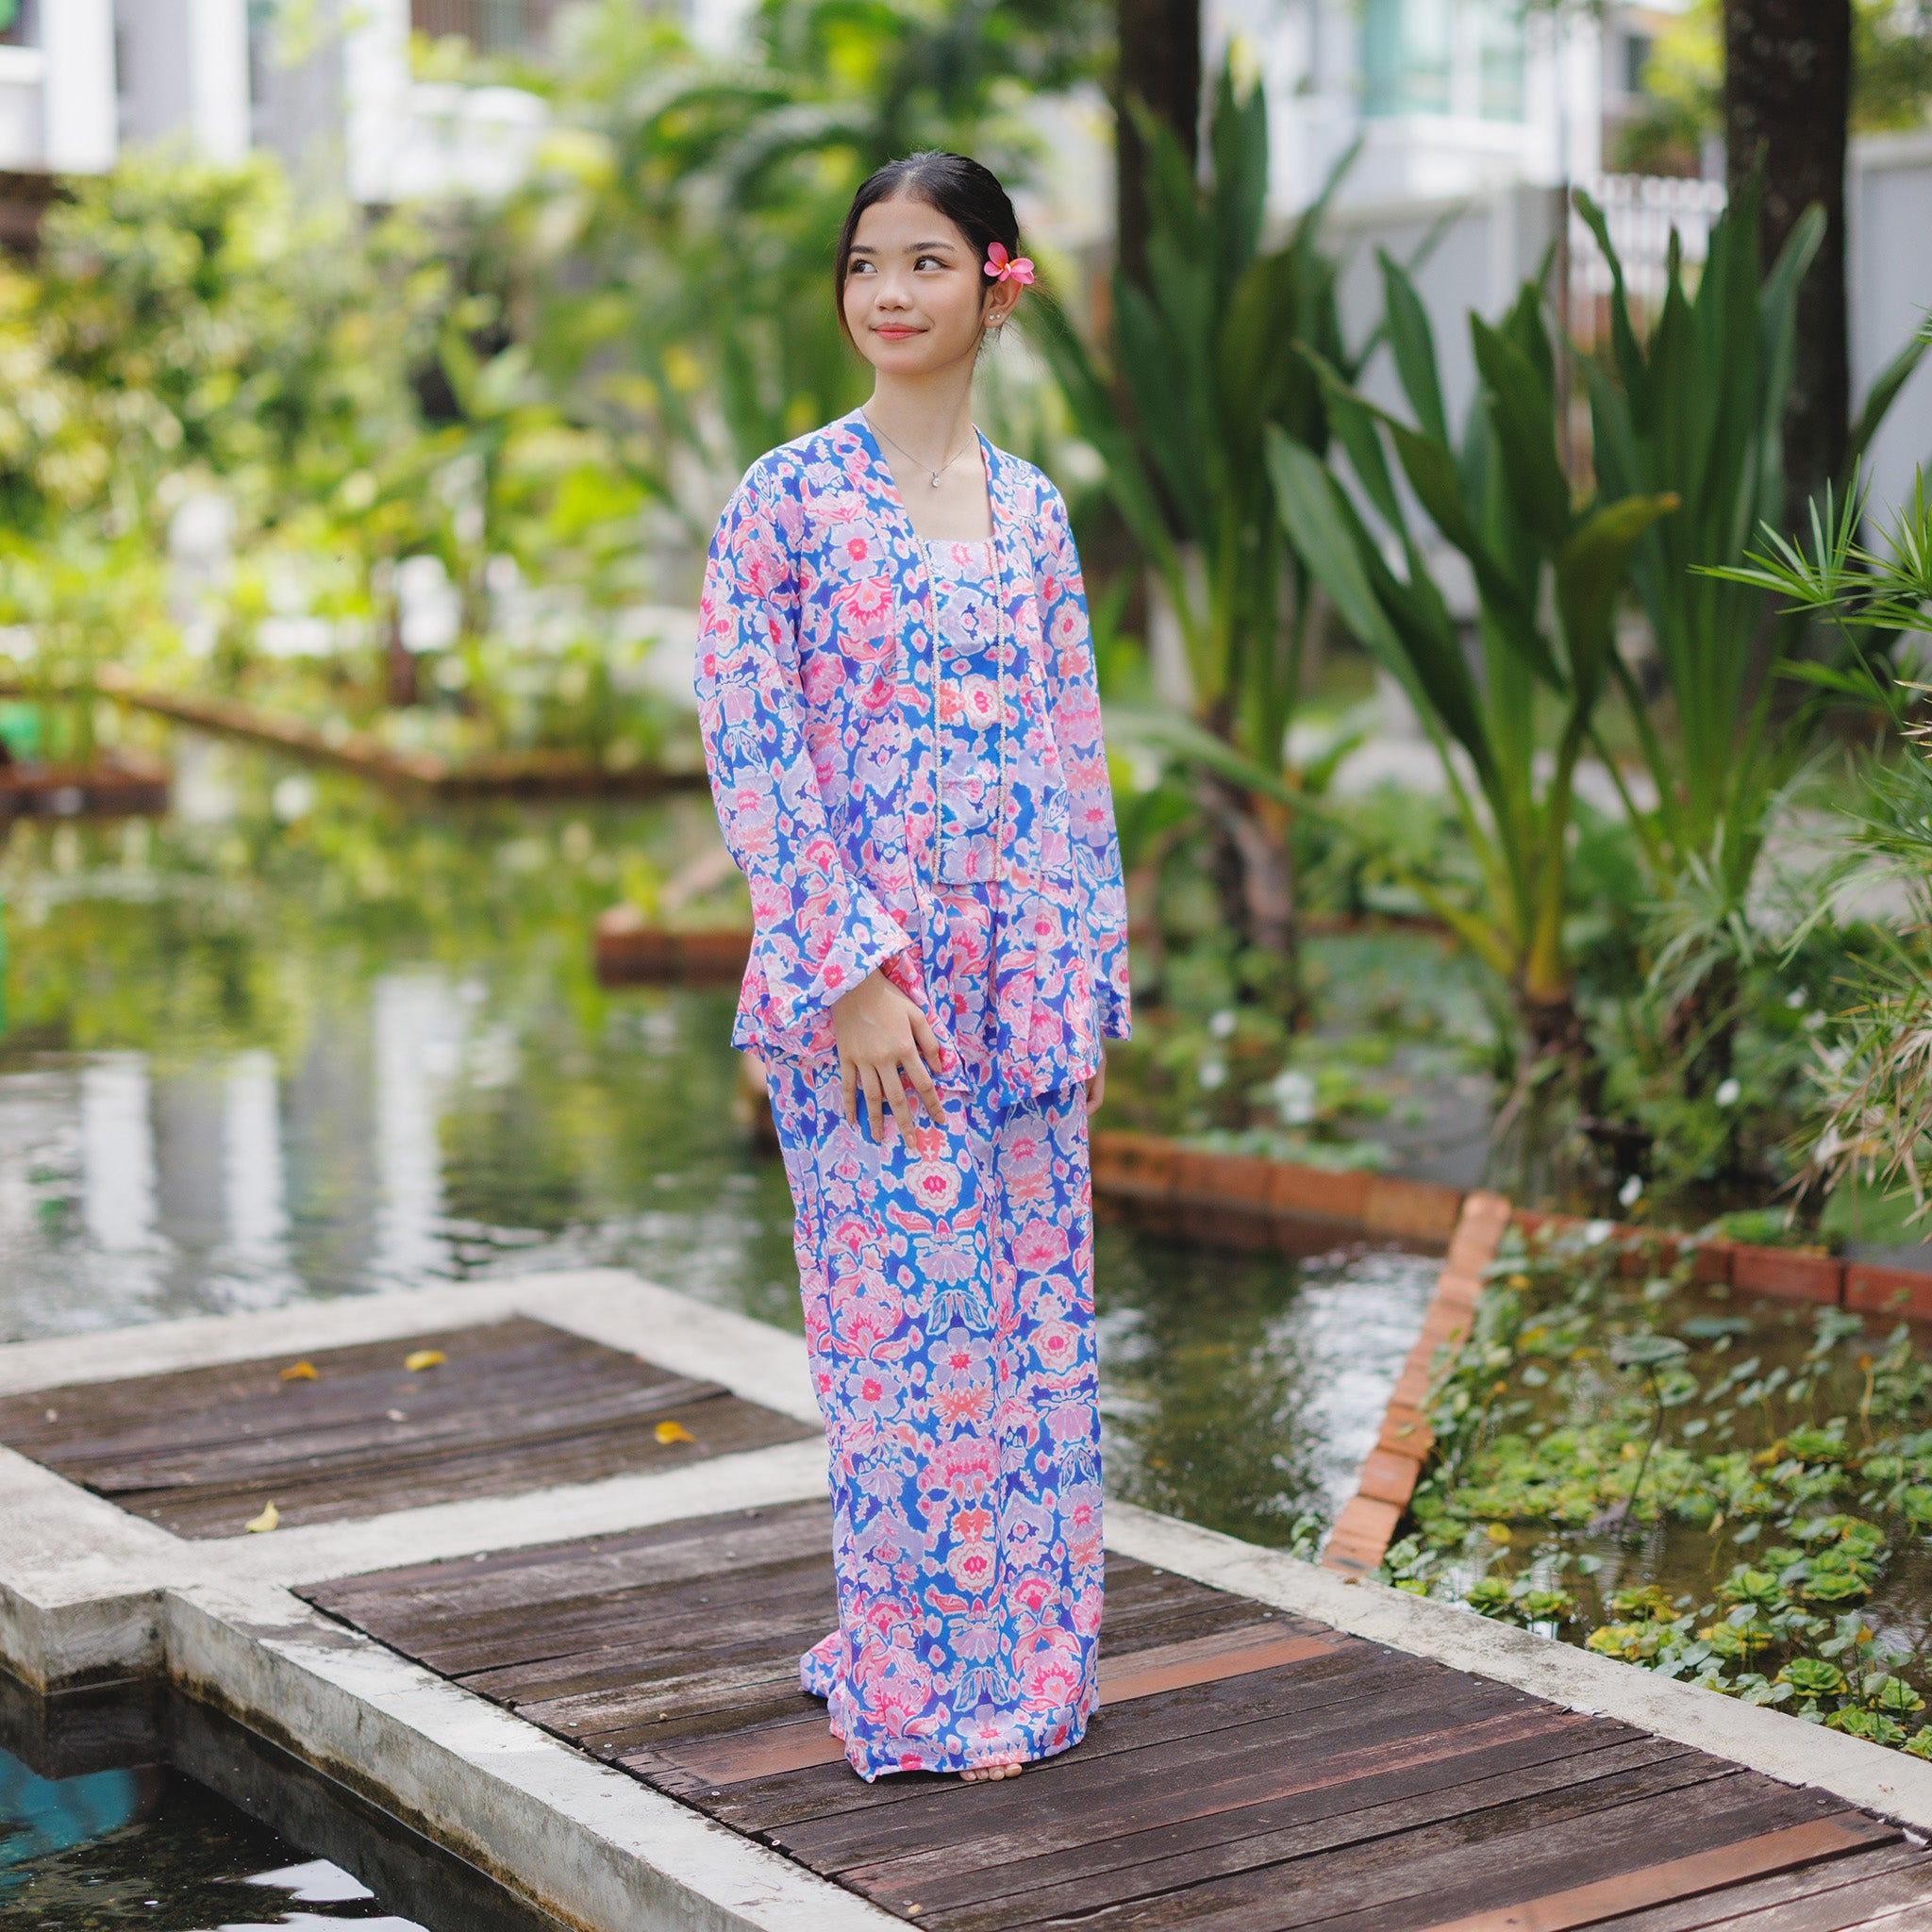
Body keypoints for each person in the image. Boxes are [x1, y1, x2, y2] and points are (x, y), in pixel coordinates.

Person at [693, 151, 1130, 1784]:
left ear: (995, 282)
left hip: (1022, 991)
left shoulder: (1033, 513)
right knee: (899, 1350)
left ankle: (1030, 1656)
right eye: (866, 262)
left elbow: (1071, 752)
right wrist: (846, 970)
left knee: (1029, 1337)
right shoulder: (788, 497)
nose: (888, 291)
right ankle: (919, 1672)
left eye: (927, 261)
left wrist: (1089, 972)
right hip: (869, 995)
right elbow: (754, 746)